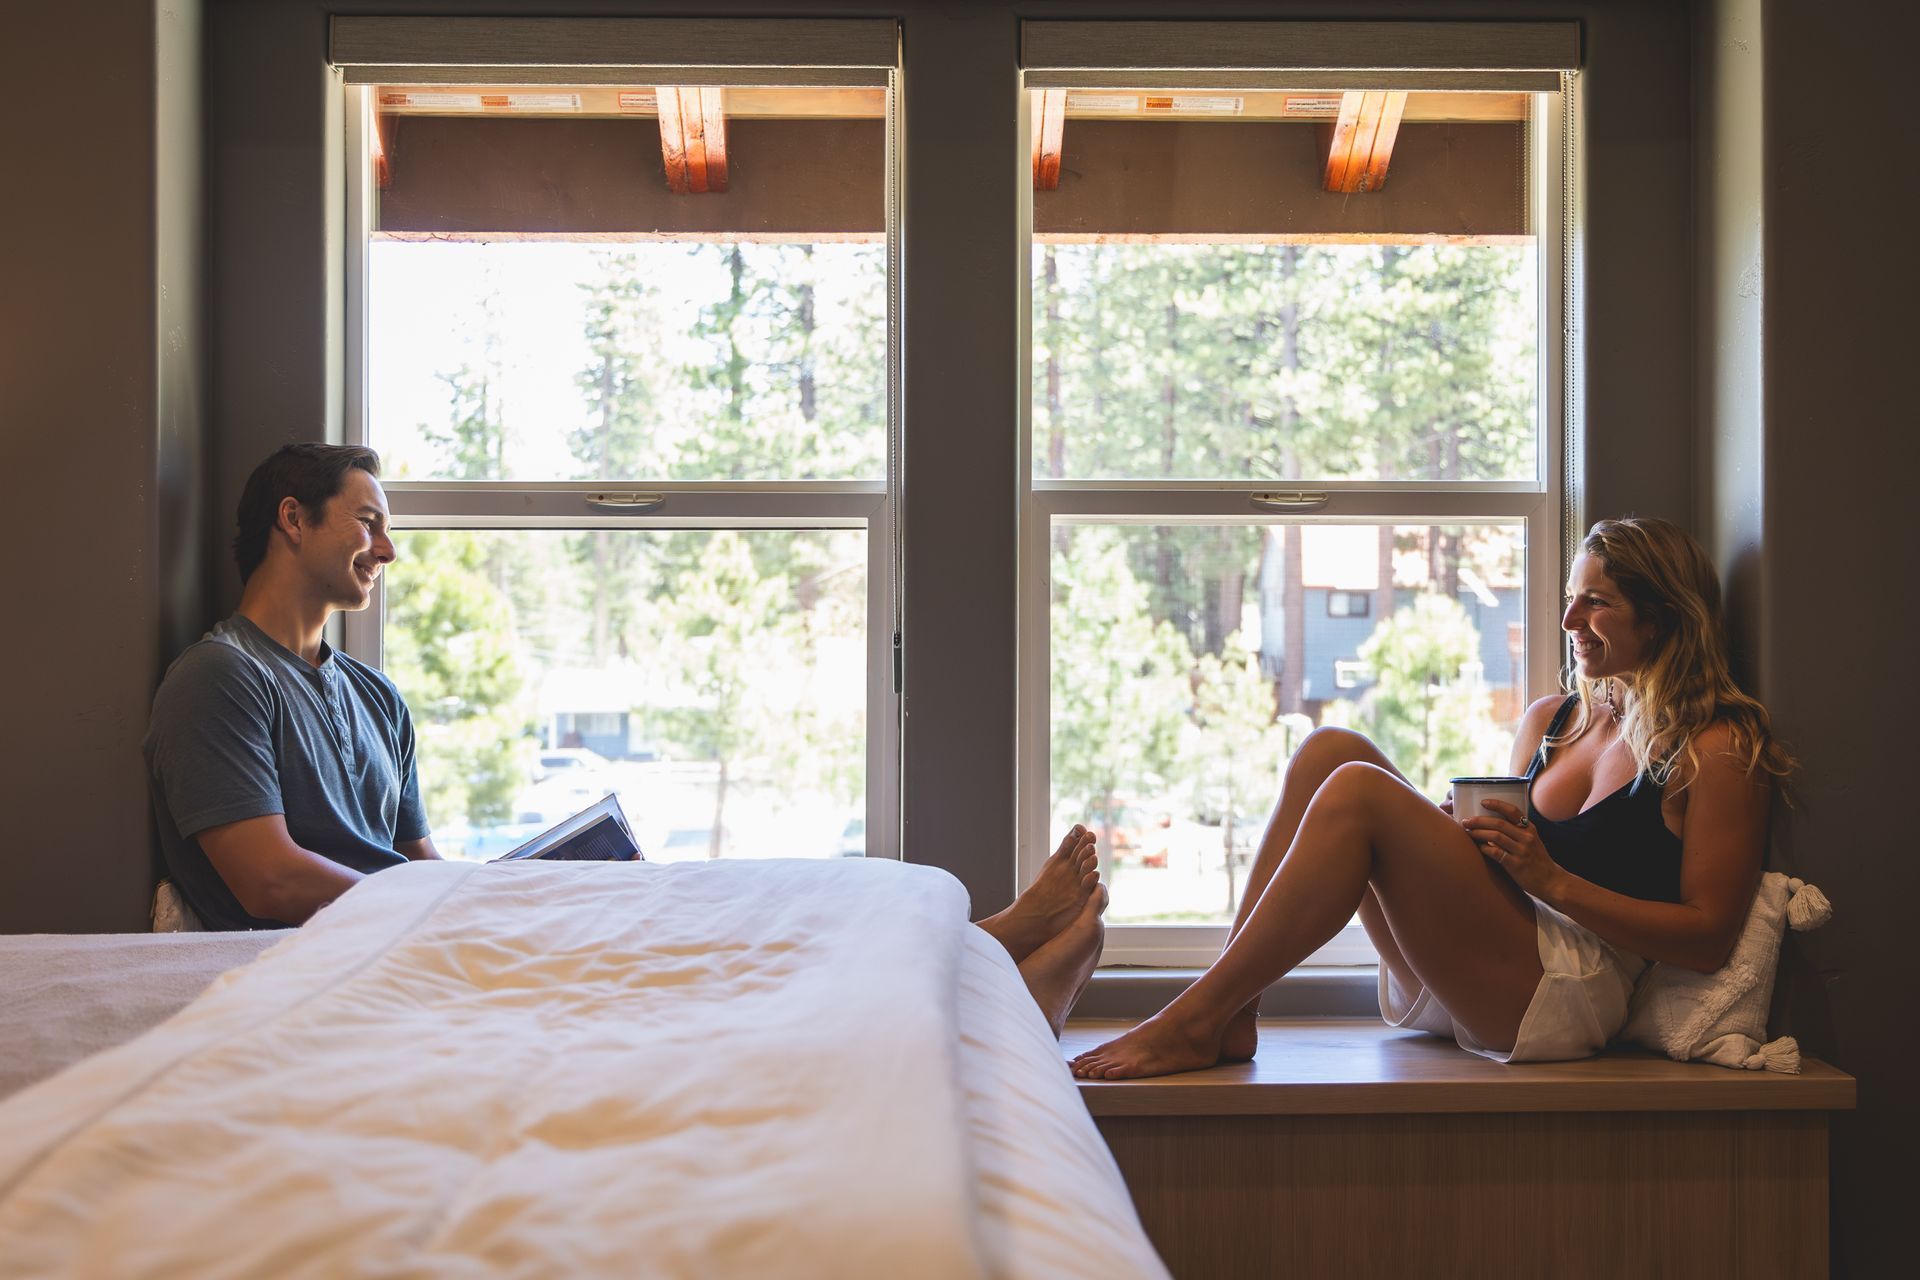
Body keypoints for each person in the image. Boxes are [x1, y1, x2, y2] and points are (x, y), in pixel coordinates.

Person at [145, 444, 1108, 1031]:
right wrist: (445, 910)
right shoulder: (220, 678)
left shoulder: (374, 696)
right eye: (368, 523)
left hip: (427, 928)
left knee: (713, 900)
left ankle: (970, 953)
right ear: (292, 519)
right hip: (359, 957)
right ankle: (981, 970)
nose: (389, 550)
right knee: (688, 953)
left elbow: (417, 859)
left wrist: (497, 890)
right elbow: (269, 882)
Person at [1071, 517, 1794, 1079]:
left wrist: (1552, 880)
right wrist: (1461, 845)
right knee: (1332, 751)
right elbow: (1507, 877)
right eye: (1571, 599)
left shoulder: (1716, 747)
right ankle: (1233, 1012)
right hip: (1492, 963)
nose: (1570, 620)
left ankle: (1194, 1019)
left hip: (1571, 992)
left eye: (1596, 603)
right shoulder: (1553, 719)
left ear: (1661, 617)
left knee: (1361, 791)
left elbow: (1707, 939)